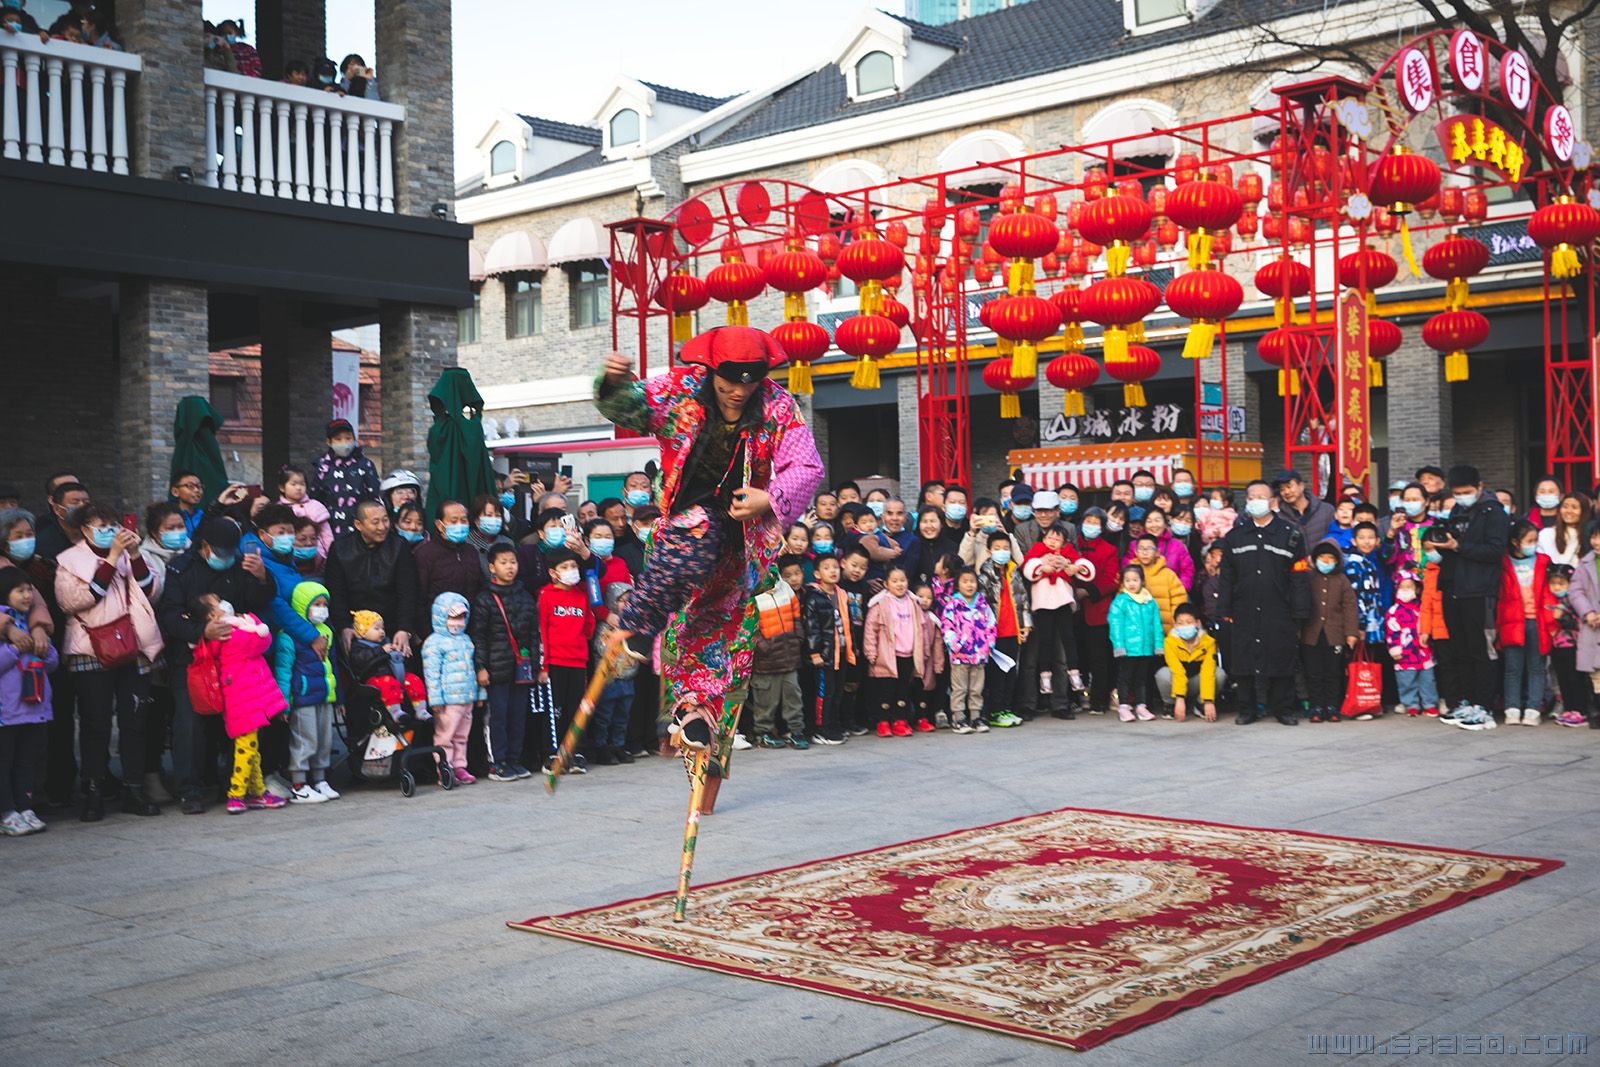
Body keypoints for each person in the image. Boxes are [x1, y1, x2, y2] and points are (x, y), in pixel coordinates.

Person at [594, 328, 822, 758]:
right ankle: (644, 621)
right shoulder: (681, 388)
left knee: (717, 628)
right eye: (727, 383)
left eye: (747, 383)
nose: (737, 392)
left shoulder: (777, 405)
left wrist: (769, 498)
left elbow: (805, 464)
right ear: (711, 372)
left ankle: (695, 712)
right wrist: (614, 384)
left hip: (741, 542)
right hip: (683, 523)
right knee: (686, 586)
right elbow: (631, 407)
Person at [54, 503, 166, 820]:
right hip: (91, 649)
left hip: (134, 644)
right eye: (101, 525)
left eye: (113, 523)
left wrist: (133, 556)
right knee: (95, 724)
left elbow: (152, 591)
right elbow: (77, 599)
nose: (110, 530)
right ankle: (93, 792)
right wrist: (112, 557)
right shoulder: (69, 560)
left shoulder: (134, 555)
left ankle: (133, 789)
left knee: (135, 721)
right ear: (85, 529)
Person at [156, 518, 275, 813]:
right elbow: (169, 615)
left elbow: (257, 602)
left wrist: (262, 578)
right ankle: (189, 789)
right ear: (205, 546)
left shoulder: (239, 564)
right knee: (190, 723)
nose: (227, 557)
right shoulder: (182, 569)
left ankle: (232, 784)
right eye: (221, 551)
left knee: (236, 725)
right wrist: (201, 631)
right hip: (194, 661)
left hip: (235, 663)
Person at [1217, 480, 1310, 726]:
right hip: (1243, 608)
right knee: (1244, 660)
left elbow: (1299, 576)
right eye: (1251, 497)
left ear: (1272, 502)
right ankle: (1247, 709)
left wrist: (1299, 612)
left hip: (1279, 608)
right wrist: (1224, 609)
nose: (1256, 501)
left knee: (1281, 658)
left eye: (1261, 497)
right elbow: (1226, 576)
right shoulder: (1235, 537)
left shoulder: (1290, 535)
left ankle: (1284, 709)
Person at [191, 594, 287, 813]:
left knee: (251, 747)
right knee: (246, 747)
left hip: (247, 696)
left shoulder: (234, 627)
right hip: (243, 699)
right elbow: (260, 641)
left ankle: (258, 792)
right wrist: (255, 622)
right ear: (212, 615)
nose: (225, 602)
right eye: (218, 602)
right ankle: (236, 793)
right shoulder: (228, 633)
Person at [1435, 466, 1511, 729]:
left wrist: (1459, 546)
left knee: (1482, 650)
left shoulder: (1494, 512)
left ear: (1479, 486)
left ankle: (1485, 707)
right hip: (1454, 586)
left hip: (1480, 590)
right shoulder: (1456, 510)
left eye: (1466, 492)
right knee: (1460, 649)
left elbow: (1494, 550)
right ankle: (1466, 702)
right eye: (1457, 493)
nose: (1462, 497)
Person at [470, 544, 538, 779]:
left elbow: (534, 633)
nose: (510, 567)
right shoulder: (485, 598)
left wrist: (536, 666)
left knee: (518, 715)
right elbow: (478, 635)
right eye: (504, 562)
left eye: (513, 562)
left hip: (522, 668)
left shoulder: (525, 595)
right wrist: (481, 667)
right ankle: (497, 763)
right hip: (496, 669)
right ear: (492, 567)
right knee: (498, 717)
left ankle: (514, 759)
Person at [270, 581, 341, 803]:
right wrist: (284, 703)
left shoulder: (326, 632)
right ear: (302, 606)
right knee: (304, 740)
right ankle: (299, 783)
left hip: (324, 695)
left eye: (324, 604)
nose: (321, 608)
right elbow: (283, 672)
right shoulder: (289, 637)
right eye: (316, 604)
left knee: (324, 739)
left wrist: (339, 697)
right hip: (302, 698)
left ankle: (320, 779)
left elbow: (334, 666)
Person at [323, 500, 419, 657]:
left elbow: (407, 592)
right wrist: (344, 627)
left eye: (385, 520)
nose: (382, 527)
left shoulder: (399, 546)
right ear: (358, 525)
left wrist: (404, 628)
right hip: (357, 630)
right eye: (375, 522)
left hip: (391, 627)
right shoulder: (340, 549)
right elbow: (336, 592)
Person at [0, 569, 56, 835]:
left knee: (26, 761)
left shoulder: (32, 623)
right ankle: (6, 811)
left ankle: (25, 807)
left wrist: (42, 649)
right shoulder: (5, 627)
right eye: (19, 590)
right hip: (6, 711)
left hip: (33, 708)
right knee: (4, 762)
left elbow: (53, 662)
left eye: (28, 589)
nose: (26, 595)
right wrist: (14, 650)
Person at [863, 564, 942, 737]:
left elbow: (922, 628)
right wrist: (871, 652)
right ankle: (883, 722)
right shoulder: (880, 604)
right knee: (885, 690)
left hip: (908, 654)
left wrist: (924, 651)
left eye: (903, 580)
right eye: (894, 581)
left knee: (902, 690)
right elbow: (871, 629)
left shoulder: (913, 602)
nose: (899, 584)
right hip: (887, 655)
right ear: (886, 584)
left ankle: (900, 721)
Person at [536, 549, 594, 773]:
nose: (571, 571)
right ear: (553, 573)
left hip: (578, 662)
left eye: (573, 567)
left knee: (576, 710)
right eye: (565, 567)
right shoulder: (546, 596)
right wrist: (543, 666)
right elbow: (541, 631)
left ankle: (576, 752)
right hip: (554, 664)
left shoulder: (581, 595)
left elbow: (588, 628)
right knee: (554, 711)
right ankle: (552, 753)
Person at [1021, 524, 1087, 716]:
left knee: (1063, 651)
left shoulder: (1067, 551)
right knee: (1034, 654)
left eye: (1057, 539)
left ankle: (1061, 702)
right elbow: (1026, 566)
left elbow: (1082, 567)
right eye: (1050, 538)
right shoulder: (1033, 545)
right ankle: (1029, 703)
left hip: (1062, 603)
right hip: (1037, 605)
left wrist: (1068, 565)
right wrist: (1042, 564)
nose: (1053, 542)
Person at [1496, 521, 1552, 729]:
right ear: (1515, 542)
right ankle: (1512, 708)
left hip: (1538, 621)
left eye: (1535, 540)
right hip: (1511, 622)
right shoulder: (1503, 563)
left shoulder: (1544, 562)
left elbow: (1548, 595)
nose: (1533, 545)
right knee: (1513, 668)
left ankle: (1533, 708)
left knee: (1536, 667)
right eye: (1529, 541)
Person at [423, 592, 481, 785]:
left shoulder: (466, 640)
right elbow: (432, 673)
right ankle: (444, 768)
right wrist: (436, 700)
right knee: (445, 736)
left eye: (462, 617)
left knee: (461, 735)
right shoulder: (434, 643)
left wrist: (479, 692)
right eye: (453, 617)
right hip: (448, 701)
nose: (458, 622)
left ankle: (460, 766)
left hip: (467, 697)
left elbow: (473, 668)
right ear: (441, 617)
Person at [750, 556, 806, 749]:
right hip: (766, 660)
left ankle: (796, 730)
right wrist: (762, 646)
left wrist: (798, 635)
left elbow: (796, 613)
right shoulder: (751, 595)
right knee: (765, 698)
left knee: (794, 695)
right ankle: (762, 732)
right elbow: (747, 627)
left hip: (789, 654)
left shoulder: (785, 588)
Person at [1301, 541, 1359, 723]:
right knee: (1313, 672)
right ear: (1315, 559)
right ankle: (1316, 706)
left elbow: (1350, 607)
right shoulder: (1308, 578)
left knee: (1333, 673)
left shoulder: (1342, 580)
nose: (1326, 561)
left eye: (1330, 558)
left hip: (1335, 635)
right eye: (1322, 557)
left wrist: (1351, 633)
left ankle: (1332, 706)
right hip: (1311, 634)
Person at [800, 552, 853, 746]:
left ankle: (834, 724)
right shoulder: (814, 597)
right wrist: (814, 653)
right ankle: (821, 729)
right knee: (824, 693)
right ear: (817, 573)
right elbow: (811, 628)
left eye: (835, 567)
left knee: (838, 691)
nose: (832, 571)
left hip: (840, 652)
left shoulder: (841, 594)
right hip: (824, 655)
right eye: (827, 568)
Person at [976, 529, 1025, 730]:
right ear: (989, 551)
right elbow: (982, 604)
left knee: (1010, 672)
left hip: (1013, 630)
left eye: (1005, 548)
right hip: (996, 633)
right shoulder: (985, 574)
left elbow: (1023, 600)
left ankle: (1006, 707)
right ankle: (995, 711)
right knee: (996, 674)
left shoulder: (1014, 571)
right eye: (997, 548)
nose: (1002, 552)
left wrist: (1025, 625)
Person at [1072, 509, 1119, 715]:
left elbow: (1111, 580)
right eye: (1087, 521)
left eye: (1095, 522)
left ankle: (1098, 700)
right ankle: (1077, 696)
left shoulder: (1109, 549)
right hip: (1071, 609)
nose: (1091, 525)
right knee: (1076, 657)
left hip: (1098, 609)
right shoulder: (1072, 545)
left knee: (1099, 658)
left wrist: (1087, 591)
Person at [941, 566, 995, 733]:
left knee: (976, 688)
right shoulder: (953, 605)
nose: (969, 585)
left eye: (972, 581)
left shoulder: (983, 605)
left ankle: (975, 717)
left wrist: (988, 646)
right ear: (958, 584)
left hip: (979, 656)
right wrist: (956, 646)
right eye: (965, 582)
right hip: (959, 657)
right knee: (959, 688)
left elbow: (991, 626)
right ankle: (958, 718)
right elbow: (947, 628)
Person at [590, 584, 641, 764]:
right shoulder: (605, 627)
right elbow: (602, 648)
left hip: (628, 678)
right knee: (604, 715)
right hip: (609, 679)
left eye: (629, 600)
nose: (626, 604)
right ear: (612, 602)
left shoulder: (633, 626)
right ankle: (601, 747)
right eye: (621, 601)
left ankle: (618, 746)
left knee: (622, 716)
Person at [1108, 564, 1162, 722]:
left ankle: (1141, 706)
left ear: (1142, 581)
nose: (1131, 583)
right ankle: (1123, 706)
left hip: (1145, 648)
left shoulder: (1149, 601)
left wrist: (1158, 645)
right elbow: (1116, 625)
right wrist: (1119, 646)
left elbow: (1156, 624)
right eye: (1127, 580)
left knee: (1142, 678)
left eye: (1135, 580)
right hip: (1128, 649)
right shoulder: (1120, 601)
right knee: (1125, 677)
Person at [310, 419, 382, 539]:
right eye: (338, 439)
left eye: (348, 438)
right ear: (329, 442)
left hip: (362, 529)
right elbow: (315, 497)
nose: (344, 442)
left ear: (354, 439)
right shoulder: (323, 467)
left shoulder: (365, 464)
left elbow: (374, 494)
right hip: (331, 530)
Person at [1157, 603, 1222, 722]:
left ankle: (1200, 704)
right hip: (1178, 682)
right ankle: (1170, 705)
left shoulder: (1208, 642)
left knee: (1219, 674)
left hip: (1197, 682)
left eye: (1189, 622)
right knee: (1163, 674)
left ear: (1198, 623)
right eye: (1180, 623)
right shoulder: (1169, 642)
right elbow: (1177, 671)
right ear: (1175, 625)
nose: (1184, 626)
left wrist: (1208, 700)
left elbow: (1208, 670)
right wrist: (1180, 698)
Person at [1384, 574, 1436, 718]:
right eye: (1402, 587)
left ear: (1417, 589)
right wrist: (1395, 648)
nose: (1405, 590)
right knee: (1406, 681)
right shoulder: (1394, 611)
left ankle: (1429, 704)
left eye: (1409, 587)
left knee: (1428, 680)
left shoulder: (1422, 608)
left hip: (1423, 651)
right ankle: (1411, 704)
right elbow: (1391, 631)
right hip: (1405, 652)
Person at [1546, 564, 1587, 727]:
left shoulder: (1574, 601)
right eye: (1554, 583)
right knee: (1562, 678)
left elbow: (1579, 622)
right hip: (1557, 646)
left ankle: (1580, 710)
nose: (1557, 587)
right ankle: (1569, 708)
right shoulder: (1553, 601)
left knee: (1575, 678)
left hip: (1572, 645)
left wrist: (1562, 619)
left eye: (1561, 584)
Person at [1417, 527, 1452, 715]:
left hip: (1454, 625)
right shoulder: (1429, 570)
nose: (1431, 553)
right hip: (1438, 628)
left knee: (1458, 664)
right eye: (1427, 549)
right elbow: (1426, 603)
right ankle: (1447, 698)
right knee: (1444, 666)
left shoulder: (1454, 567)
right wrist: (1425, 630)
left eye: (1433, 548)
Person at [276, 464, 334, 562]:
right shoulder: (278, 509)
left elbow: (326, 534)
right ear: (282, 487)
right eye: (293, 484)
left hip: (318, 556)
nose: (298, 488)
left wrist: (331, 554)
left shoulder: (315, 506)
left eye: (302, 484)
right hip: (288, 557)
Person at [1131, 534, 1186, 633]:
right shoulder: (1130, 575)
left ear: (1157, 552)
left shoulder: (1168, 575)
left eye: (1149, 549)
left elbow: (1179, 601)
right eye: (1141, 549)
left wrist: (1174, 627)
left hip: (1164, 632)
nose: (1145, 553)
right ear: (1135, 552)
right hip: (1136, 632)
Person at [1273, 469, 1335, 546]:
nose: (1286, 492)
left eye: (1289, 487)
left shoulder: (1326, 510)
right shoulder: (1279, 517)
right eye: (1282, 489)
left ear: (1301, 486)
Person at [1012, 489, 1076, 556]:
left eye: (1048, 511)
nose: (1043, 515)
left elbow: (1075, 555)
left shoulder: (1069, 528)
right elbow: (1021, 557)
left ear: (1057, 511)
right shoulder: (1022, 530)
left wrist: (1066, 561)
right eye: (1039, 511)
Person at [1536, 492, 1590, 567]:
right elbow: (1549, 563)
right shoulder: (1546, 534)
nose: (1569, 511)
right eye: (1565, 507)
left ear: (1584, 512)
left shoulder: (1589, 536)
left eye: (1574, 507)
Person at [169, 470, 206, 538]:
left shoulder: (203, 515)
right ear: (175, 492)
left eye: (199, 486)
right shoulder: (170, 517)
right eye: (190, 486)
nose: (197, 490)